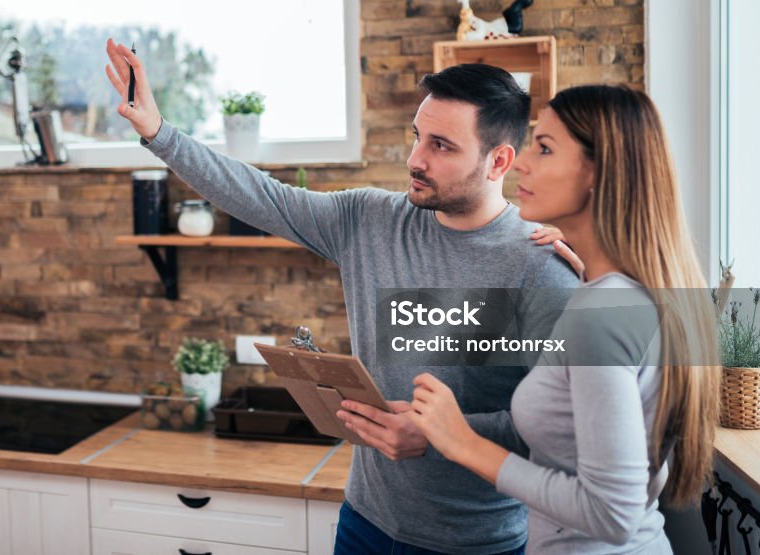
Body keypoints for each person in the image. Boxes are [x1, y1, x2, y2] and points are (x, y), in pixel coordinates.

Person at [105, 39, 580, 555]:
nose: (414, 159)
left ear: (499, 161)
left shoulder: (541, 267)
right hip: (364, 523)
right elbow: (261, 196)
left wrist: (442, 433)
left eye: (441, 146)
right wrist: (158, 132)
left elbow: (563, 426)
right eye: (417, 137)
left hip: (474, 543)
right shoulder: (369, 220)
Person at [409, 85, 721, 554]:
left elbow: (612, 514)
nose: (521, 162)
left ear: (599, 172)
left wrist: (462, 442)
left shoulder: (604, 314)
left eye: (545, 148)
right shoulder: (623, 293)